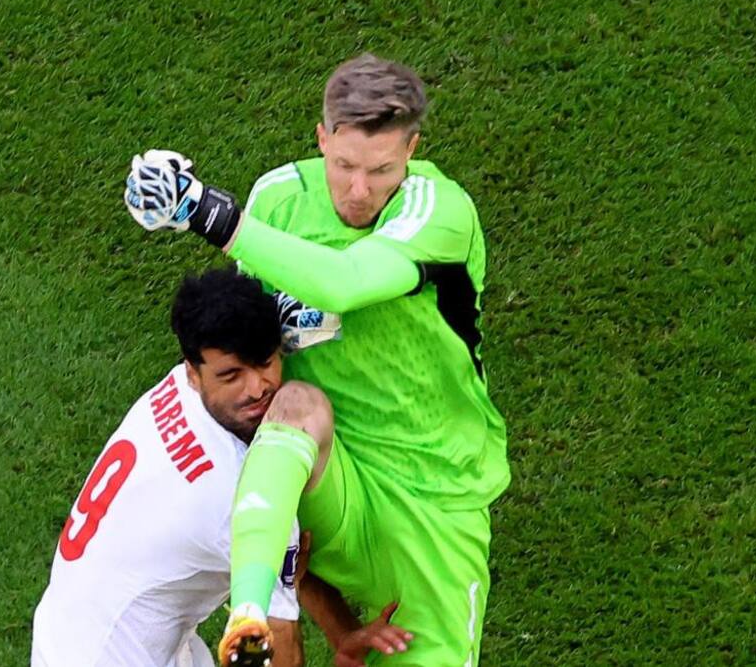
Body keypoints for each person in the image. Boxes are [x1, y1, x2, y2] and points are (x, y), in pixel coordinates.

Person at [124, 54, 509, 666]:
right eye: (344, 165)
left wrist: (206, 212)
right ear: (322, 138)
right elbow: (246, 350)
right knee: (297, 403)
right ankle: (247, 610)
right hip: (315, 474)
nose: (360, 190)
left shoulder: (439, 210)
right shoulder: (278, 200)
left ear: (412, 149)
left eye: (381, 170)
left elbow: (345, 283)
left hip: (432, 501)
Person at [31, 268, 411, 667]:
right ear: (194, 373)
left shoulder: (179, 389)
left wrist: (343, 633)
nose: (256, 389)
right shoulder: (239, 492)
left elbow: (285, 568)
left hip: (71, 635)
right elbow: (280, 646)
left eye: (264, 363)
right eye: (231, 376)